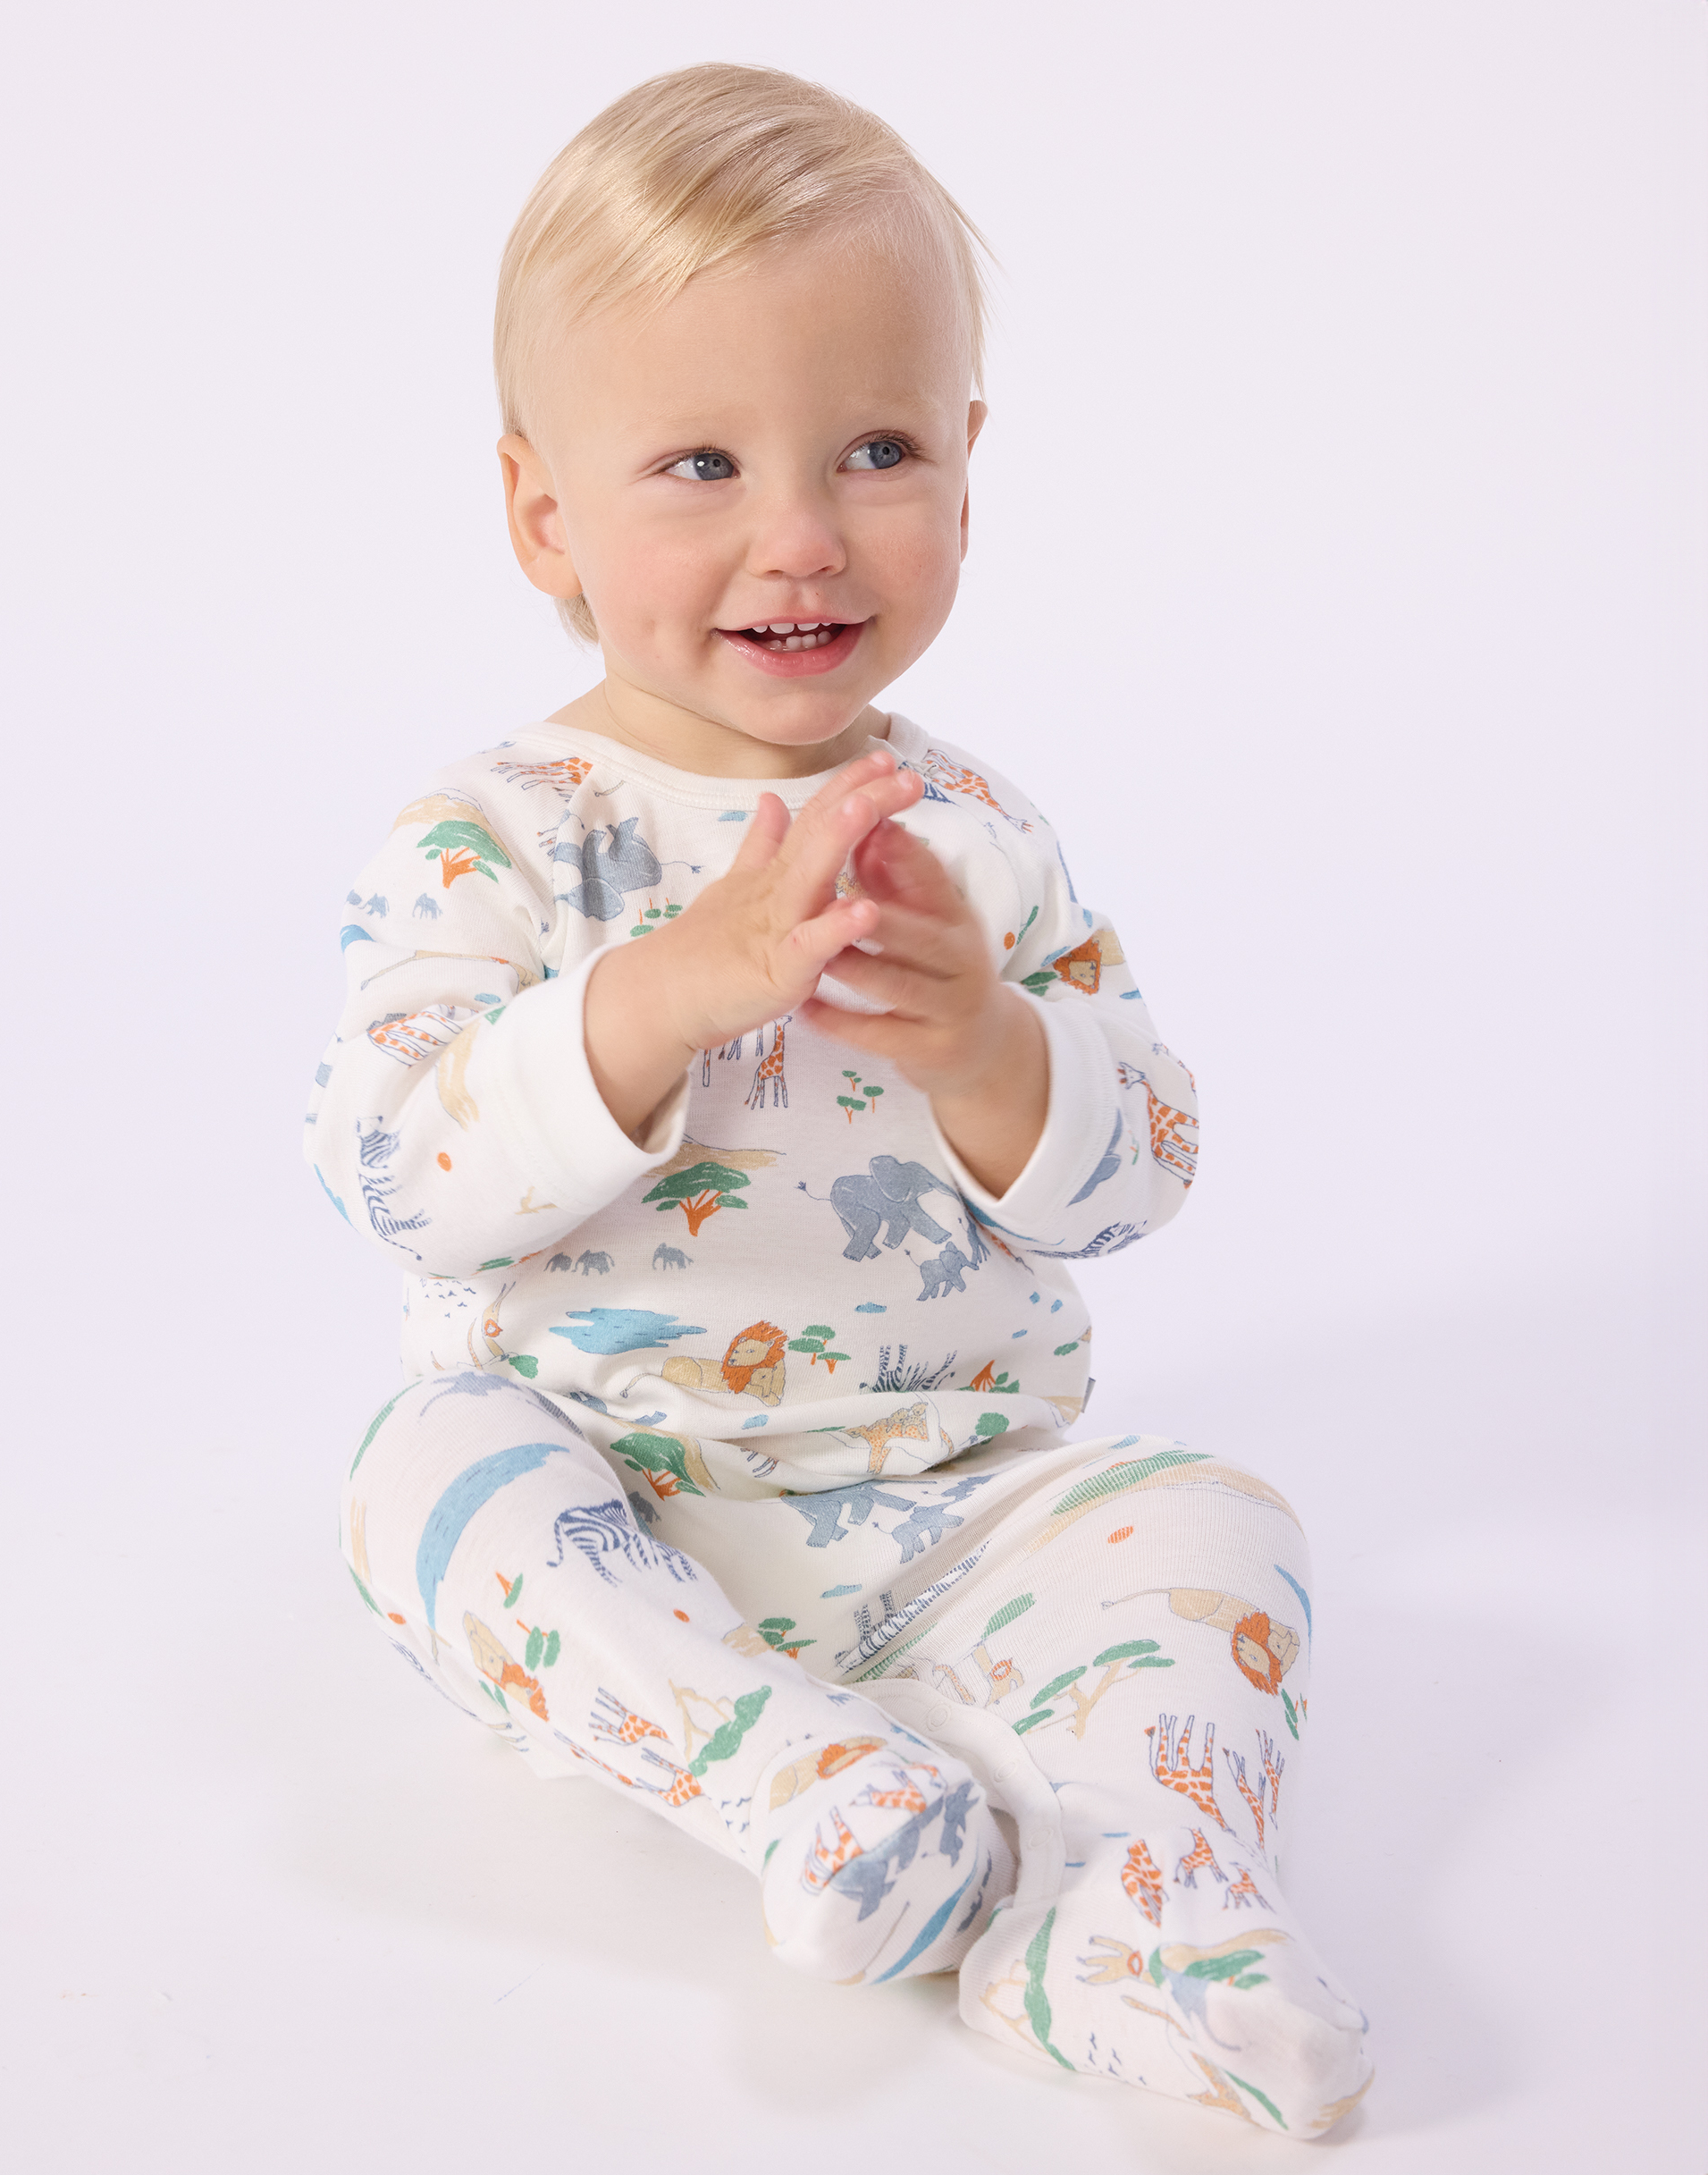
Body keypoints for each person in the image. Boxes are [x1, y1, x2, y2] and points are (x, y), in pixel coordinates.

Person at [305, 62, 1372, 2137]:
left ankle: (1140, 1901)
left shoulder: (973, 835)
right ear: (542, 512)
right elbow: (393, 1170)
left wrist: (988, 1047)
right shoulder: (494, 836)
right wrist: (659, 996)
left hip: (950, 1499)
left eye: (875, 448)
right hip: (622, 1503)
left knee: (1217, 1517)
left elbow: (1143, 1166)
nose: (798, 534)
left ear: (966, 469)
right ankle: (802, 1781)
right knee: (416, 1471)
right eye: (698, 461)